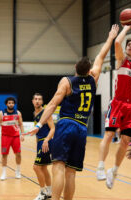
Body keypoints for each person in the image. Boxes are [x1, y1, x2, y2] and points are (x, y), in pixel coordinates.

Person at [25, 24, 119, 200]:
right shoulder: (93, 78)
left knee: (58, 166)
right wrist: (111, 38)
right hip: (82, 128)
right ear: (89, 69)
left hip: (66, 125)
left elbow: (52, 104)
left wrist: (39, 124)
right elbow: (101, 56)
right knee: (71, 172)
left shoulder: (66, 82)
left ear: (76, 67)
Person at [96, 11, 131, 189]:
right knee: (109, 134)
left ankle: (114, 171)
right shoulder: (121, 60)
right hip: (117, 103)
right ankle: (100, 167)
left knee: (125, 141)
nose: (130, 46)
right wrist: (126, 27)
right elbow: (117, 42)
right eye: (129, 45)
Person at [0, 97, 25, 181]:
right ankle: (3, 173)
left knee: (18, 154)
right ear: (6, 104)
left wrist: (23, 134)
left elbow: (21, 124)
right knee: (4, 155)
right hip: (5, 137)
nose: (11, 104)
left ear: (14, 104)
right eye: (9, 103)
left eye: (12, 103)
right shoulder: (2, 113)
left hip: (15, 137)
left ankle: (18, 171)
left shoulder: (18, 113)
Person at [32, 93, 55, 200]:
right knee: (44, 168)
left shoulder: (46, 112)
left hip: (46, 141)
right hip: (40, 142)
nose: (37, 101)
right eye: (35, 99)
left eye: (39, 99)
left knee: (36, 167)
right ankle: (49, 192)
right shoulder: (35, 113)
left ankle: (43, 193)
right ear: (32, 101)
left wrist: (46, 140)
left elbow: (53, 128)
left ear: (42, 101)